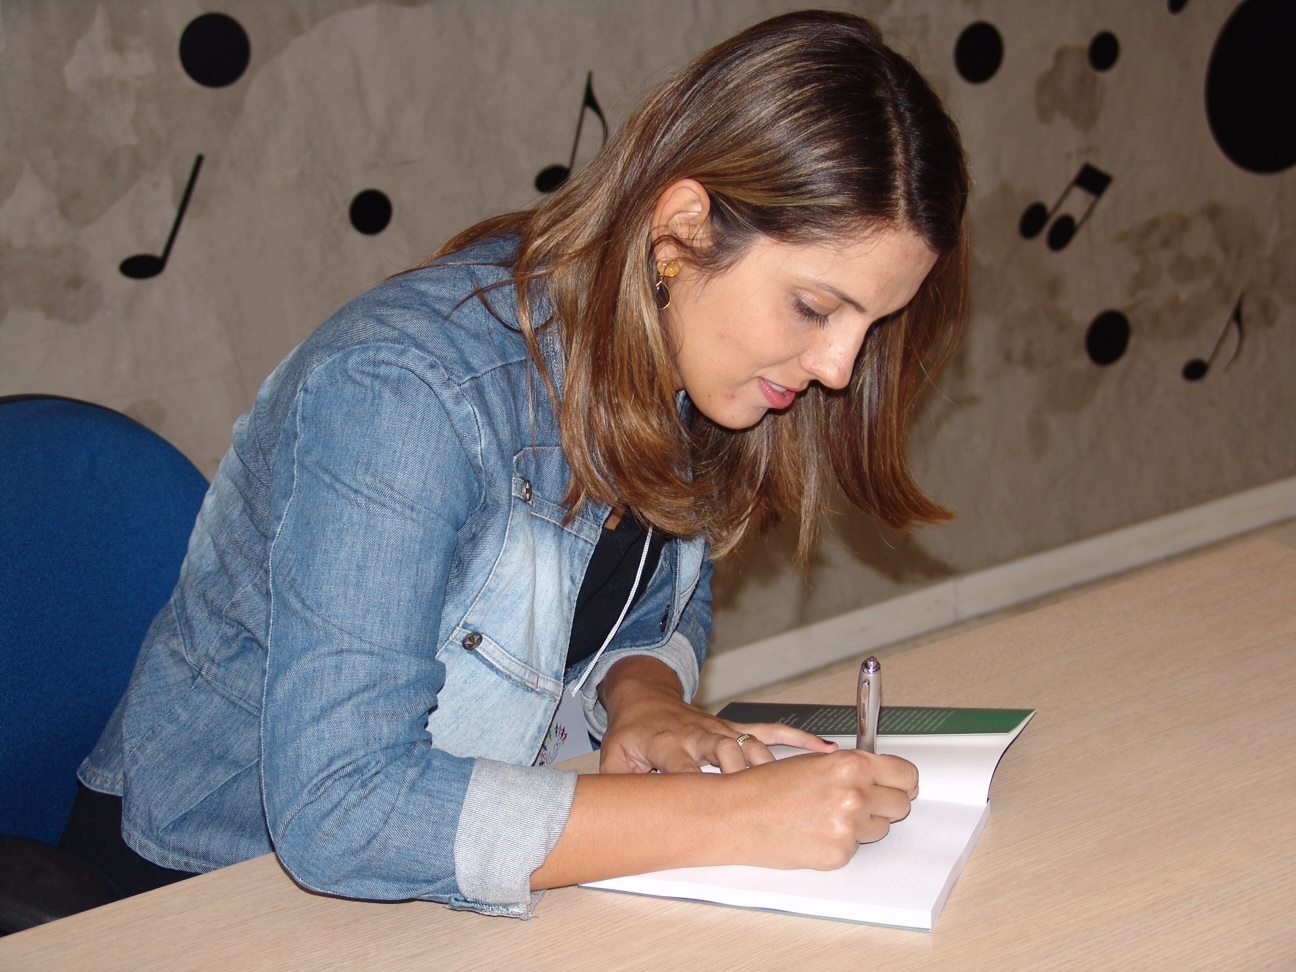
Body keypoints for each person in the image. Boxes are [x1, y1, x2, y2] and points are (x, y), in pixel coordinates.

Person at [63, 9, 968, 917]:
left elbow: (650, 594)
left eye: (873, 323)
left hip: (420, 876)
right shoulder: (404, 390)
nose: (839, 369)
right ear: (684, 229)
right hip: (201, 890)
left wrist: (645, 695)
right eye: (815, 307)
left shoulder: (696, 361)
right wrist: (732, 815)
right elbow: (343, 809)